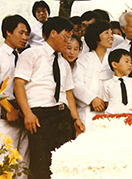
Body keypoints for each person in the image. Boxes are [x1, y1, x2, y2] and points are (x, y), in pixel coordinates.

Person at [14, 17, 85, 179]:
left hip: (62, 115)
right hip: (40, 116)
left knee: (63, 163)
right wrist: (28, 113)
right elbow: (18, 85)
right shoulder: (32, 54)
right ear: (53, 33)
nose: (68, 41)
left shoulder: (64, 62)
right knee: (41, 165)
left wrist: (75, 119)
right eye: (66, 36)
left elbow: (68, 93)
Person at [0, 15, 31, 179]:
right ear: (8, 32)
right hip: (4, 113)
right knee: (3, 160)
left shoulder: (23, 56)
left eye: (27, 34)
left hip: (21, 112)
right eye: (21, 33)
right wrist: (9, 109)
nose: (25, 37)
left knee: (22, 161)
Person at [72, 21, 114, 128]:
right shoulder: (83, 60)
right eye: (106, 33)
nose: (111, 37)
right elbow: (76, 84)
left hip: (110, 110)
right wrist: (92, 98)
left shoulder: (115, 59)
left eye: (111, 33)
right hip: (88, 111)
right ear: (96, 36)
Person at [103, 49, 132, 114]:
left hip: (131, 118)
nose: (130, 65)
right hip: (113, 118)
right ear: (114, 64)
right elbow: (107, 102)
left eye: (131, 62)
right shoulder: (107, 84)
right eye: (126, 62)